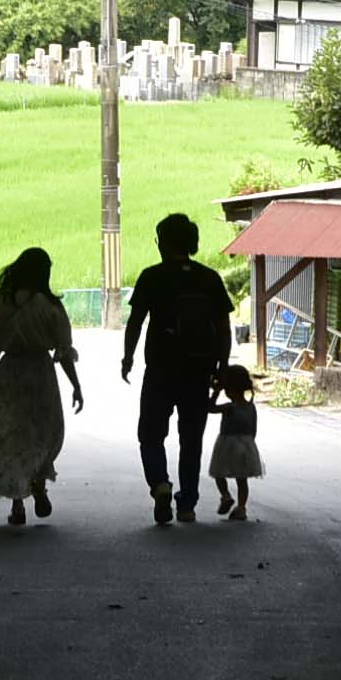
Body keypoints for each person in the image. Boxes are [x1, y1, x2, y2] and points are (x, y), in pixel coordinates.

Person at [121, 212, 233, 524]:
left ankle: (160, 484)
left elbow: (135, 322)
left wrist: (127, 358)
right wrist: (222, 367)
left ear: (165, 243)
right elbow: (224, 328)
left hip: (160, 369)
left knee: (151, 434)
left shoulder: (152, 276)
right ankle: (187, 504)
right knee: (191, 439)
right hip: (198, 370)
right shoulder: (209, 278)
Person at [0, 247, 84, 526]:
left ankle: (17, 504)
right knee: (41, 433)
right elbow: (64, 350)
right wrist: (76, 386)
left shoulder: (6, 303)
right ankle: (40, 486)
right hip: (40, 373)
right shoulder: (50, 305)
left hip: (11, 374)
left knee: (11, 436)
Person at [208, 363, 264, 519]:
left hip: (226, 444)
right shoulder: (251, 407)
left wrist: (215, 393)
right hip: (246, 446)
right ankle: (241, 507)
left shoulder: (229, 407)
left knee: (219, 473)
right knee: (242, 479)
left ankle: (225, 495)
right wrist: (249, 445)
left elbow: (209, 408)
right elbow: (253, 430)